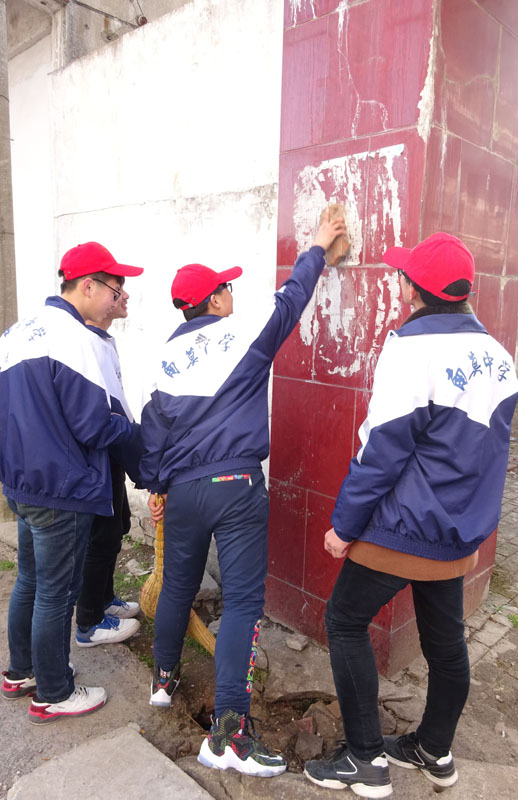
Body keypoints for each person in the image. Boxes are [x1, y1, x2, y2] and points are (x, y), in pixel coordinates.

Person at [304, 232, 518, 798]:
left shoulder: (410, 347)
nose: (399, 281)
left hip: (403, 526)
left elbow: (382, 450)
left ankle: (364, 759)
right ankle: (433, 750)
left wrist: (344, 526)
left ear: (414, 289)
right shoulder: (500, 359)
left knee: (344, 620)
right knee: (446, 644)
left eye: (403, 275)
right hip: (456, 532)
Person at [139, 212, 346, 777]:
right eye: (227, 288)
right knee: (243, 604)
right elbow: (292, 300)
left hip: (183, 491)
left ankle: (163, 682)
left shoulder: (165, 357)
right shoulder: (243, 334)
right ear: (214, 300)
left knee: (177, 586)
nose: (233, 294)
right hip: (235, 486)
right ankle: (229, 736)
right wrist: (317, 249)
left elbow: (152, 431)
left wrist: (155, 486)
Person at [0, 242, 143, 724]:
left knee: (31, 580)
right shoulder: (73, 337)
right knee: (56, 593)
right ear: (87, 286)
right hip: (62, 488)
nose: (119, 296)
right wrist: (139, 436)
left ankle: (21, 672)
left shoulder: (16, 333)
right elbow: (94, 425)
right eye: (115, 288)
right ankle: (54, 692)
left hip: (23, 484)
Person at [75, 285, 142, 647]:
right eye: (118, 290)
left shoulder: (102, 340)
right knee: (100, 537)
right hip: (96, 453)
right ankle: (88, 622)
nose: (125, 296)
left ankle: (103, 600)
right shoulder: (84, 342)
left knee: (116, 529)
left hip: (112, 449)